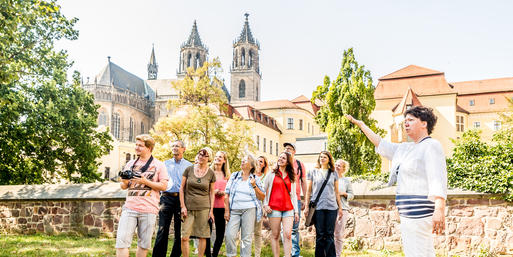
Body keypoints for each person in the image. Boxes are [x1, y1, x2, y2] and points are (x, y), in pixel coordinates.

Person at [346, 106, 447, 257]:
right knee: (420, 253)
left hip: (420, 212)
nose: (406, 123)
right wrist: (362, 125)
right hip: (406, 212)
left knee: (418, 253)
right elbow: (380, 143)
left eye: (411, 120)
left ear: (424, 123)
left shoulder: (431, 146)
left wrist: (439, 209)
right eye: (405, 121)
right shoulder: (405, 149)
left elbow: (438, 177)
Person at [116, 134, 168, 257]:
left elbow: (164, 186)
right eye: (136, 145)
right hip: (130, 207)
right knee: (121, 242)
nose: (136, 148)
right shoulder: (130, 164)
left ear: (149, 148)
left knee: (144, 245)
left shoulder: (159, 165)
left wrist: (145, 182)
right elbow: (124, 186)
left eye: (140, 145)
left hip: (149, 209)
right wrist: (124, 181)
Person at [153, 140, 192, 257]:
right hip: (166, 199)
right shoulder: (164, 164)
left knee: (179, 231)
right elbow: (158, 181)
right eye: (173, 146)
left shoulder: (189, 166)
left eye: (177, 146)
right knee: (162, 229)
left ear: (183, 149)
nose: (174, 148)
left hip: (181, 200)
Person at [224, 154, 265, 257]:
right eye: (242, 160)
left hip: (249, 209)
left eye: (245, 160)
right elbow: (226, 194)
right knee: (229, 235)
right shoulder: (234, 176)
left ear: (251, 165)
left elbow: (262, 197)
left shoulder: (255, 178)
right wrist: (227, 210)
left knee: (246, 238)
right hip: (234, 209)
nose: (242, 161)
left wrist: (254, 185)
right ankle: (231, 255)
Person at [304, 151, 343, 257]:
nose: (322, 158)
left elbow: (336, 191)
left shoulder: (334, 173)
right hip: (318, 208)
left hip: (332, 207)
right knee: (320, 235)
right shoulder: (313, 172)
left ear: (329, 159)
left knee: (330, 234)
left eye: (324, 157)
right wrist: (306, 207)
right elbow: (308, 191)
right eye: (320, 157)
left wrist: (340, 207)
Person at [179, 147, 216, 257]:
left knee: (202, 236)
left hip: (204, 208)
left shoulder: (211, 173)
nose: (201, 157)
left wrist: (211, 211)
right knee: (184, 236)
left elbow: (211, 193)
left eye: (205, 155)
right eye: (200, 154)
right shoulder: (189, 169)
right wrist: (183, 206)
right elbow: (181, 188)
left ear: (209, 158)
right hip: (188, 208)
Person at [263, 151, 299, 257]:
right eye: (280, 157)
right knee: (275, 235)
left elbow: (293, 195)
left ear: (288, 162)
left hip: (288, 209)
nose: (280, 159)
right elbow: (263, 190)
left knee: (288, 234)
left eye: (283, 158)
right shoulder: (271, 174)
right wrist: (265, 205)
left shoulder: (291, 176)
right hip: (274, 209)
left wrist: (296, 211)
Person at [283, 142, 307, 257]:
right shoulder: (281, 162)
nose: (287, 149)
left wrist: (305, 199)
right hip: (282, 199)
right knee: (285, 229)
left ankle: (295, 254)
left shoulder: (299, 164)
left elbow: (303, 182)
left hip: (295, 199)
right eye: (286, 148)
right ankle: (287, 253)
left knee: (295, 228)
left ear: (294, 151)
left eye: (290, 148)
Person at [208, 151, 230, 257]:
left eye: (220, 157)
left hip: (222, 207)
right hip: (209, 207)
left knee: (220, 234)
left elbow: (230, 192)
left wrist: (223, 192)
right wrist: (213, 192)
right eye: (216, 156)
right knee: (207, 232)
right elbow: (204, 188)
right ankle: (207, 253)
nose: (218, 158)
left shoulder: (227, 175)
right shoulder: (208, 172)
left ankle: (214, 254)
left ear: (224, 160)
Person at [334, 159, 353, 257]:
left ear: (343, 169)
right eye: (336, 164)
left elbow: (352, 195)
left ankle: (337, 255)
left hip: (343, 209)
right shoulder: (330, 178)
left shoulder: (346, 181)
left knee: (339, 234)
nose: (336, 166)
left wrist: (344, 194)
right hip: (330, 209)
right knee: (329, 234)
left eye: (339, 165)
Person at [253, 155, 269, 257]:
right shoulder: (250, 175)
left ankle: (257, 254)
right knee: (246, 232)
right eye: (257, 161)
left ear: (264, 165)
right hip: (248, 205)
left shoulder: (266, 177)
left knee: (257, 232)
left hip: (260, 206)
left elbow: (267, 193)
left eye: (261, 162)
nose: (259, 163)